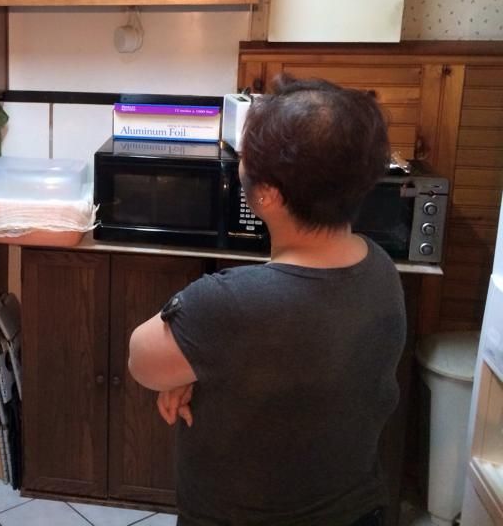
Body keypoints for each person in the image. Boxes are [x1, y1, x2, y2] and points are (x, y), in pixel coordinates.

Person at [128, 75, 405, 526]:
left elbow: (142, 359)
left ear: (268, 193)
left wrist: (188, 358)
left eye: (245, 154)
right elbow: (293, 373)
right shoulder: (380, 269)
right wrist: (198, 361)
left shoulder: (229, 303)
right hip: (356, 511)